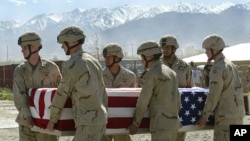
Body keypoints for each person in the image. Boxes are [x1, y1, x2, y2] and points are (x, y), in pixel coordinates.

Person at [46, 25, 108, 141]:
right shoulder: (93, 60)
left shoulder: (73, 64)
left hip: (87, 122)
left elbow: (62, 93)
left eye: (64, 43)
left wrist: (52, 119)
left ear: (73, 42)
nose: (62, 46)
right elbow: (103, 92)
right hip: (100, 118)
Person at [13, 31, 62, 141]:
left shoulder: (52, 68)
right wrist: (28, 116)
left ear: (35, 47)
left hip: (47, 123)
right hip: (27, 122)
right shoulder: (20, 71)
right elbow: (19, 96)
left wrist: (54, 119)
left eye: (25, 47)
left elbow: (60, 94)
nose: (22, 50)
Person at [128, 41, 181, 141]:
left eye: (142, 57)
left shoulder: (152, 74)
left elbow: (143, 101)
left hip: (160, 125)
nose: (141, 61)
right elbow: (178, 101)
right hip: (174, 123)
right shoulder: (172, 72)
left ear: (149, 56)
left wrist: (135, 123)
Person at [197, 34, 245, 141]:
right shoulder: (231, 65)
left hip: (225, 118)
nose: (205, 52)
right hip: (238, 114)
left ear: (215, 49)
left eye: (207, 49)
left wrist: (205, 116)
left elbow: (214, 94)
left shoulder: (217, 68)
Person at [159, 34, 193, 141]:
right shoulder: (156, 66)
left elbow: (190, 87)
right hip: (161, 109)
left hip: (181, 109)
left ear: (174, 48)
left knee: (179, 137)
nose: (165, 50)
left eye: (168, 47)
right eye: (163, 47)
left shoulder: (185, 66)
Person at [101, 43, 137, 141]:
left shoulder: (130, 76)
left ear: (117, 58)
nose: (106, 60)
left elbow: (133, 100)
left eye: (109, 57)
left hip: (123, 122)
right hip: (103, 121)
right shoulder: (98, 76)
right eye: (105, 57)